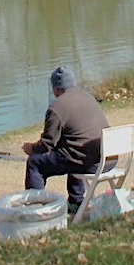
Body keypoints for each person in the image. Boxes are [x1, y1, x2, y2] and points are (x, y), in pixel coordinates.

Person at [21, 65, 108, 213]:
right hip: (107, 160)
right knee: (73, 151)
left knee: (35, 162)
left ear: (56, 89)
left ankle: (36, 209)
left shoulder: (56, 107)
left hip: (88, 163)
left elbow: (46, 145)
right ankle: (76, 201)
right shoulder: (88, 97)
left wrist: (31, 148)